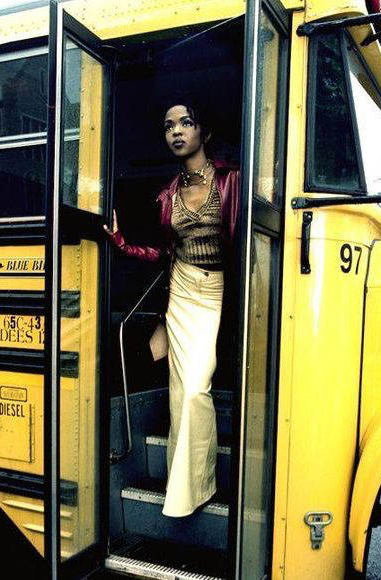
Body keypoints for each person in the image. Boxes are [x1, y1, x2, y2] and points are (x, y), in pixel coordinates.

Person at [104, 102, 239, 517]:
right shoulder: (167, 193)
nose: (176, 131)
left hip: (218, 289)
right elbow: (165, 252)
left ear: (204, 132)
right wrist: (122, 244)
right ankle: (186, 491)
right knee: (184, 393)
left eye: (186, 123)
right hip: (181, 290)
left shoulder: (231, 180)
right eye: (168, 126)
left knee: (197, 387)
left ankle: (199, 482)